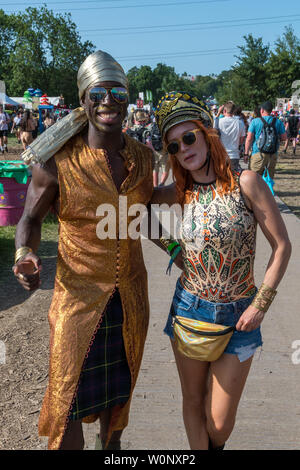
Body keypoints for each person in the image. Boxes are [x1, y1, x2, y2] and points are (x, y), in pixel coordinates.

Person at [13, 50, 154, 451]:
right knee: (67, 400)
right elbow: (31, 219)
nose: (108, 100)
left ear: (129, 101)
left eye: (118, 92)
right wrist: (24, 252)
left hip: (130, 298)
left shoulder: (142, 159)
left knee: (118, 397)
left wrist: (186, 253)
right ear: (84, 100)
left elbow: (146, 219)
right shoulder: (57, 161)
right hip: (77, 299)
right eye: (99, 92)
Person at [150, 91, 291, 450]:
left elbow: (282, 247)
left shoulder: (246, 183)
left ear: (207, 133)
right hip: (190, 311)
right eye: (173, 146)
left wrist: (262, 303)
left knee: (220, 424)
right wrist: (173, 248)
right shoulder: (180, 190)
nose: (183, 149)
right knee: (193, 403)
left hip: (241, 316)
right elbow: (138, 212)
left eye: (188, 137)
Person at [244, 101, 287, 178]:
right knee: (268, 180)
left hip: (258, 154)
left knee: (254, 179)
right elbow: (284, 138)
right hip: (272, 155)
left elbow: (249, 139)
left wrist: (246, 154)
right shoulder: (278, 122)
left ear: (262, 110)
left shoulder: (255, 121)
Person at [214, 102, 245, 171]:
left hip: (221, 154)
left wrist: (218, 112)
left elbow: (214, 132)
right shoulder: (240, 123)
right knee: (233, 178)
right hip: (234, 155)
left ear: (224, 111)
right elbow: (241, 140)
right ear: (234, 111)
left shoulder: (219, 122)